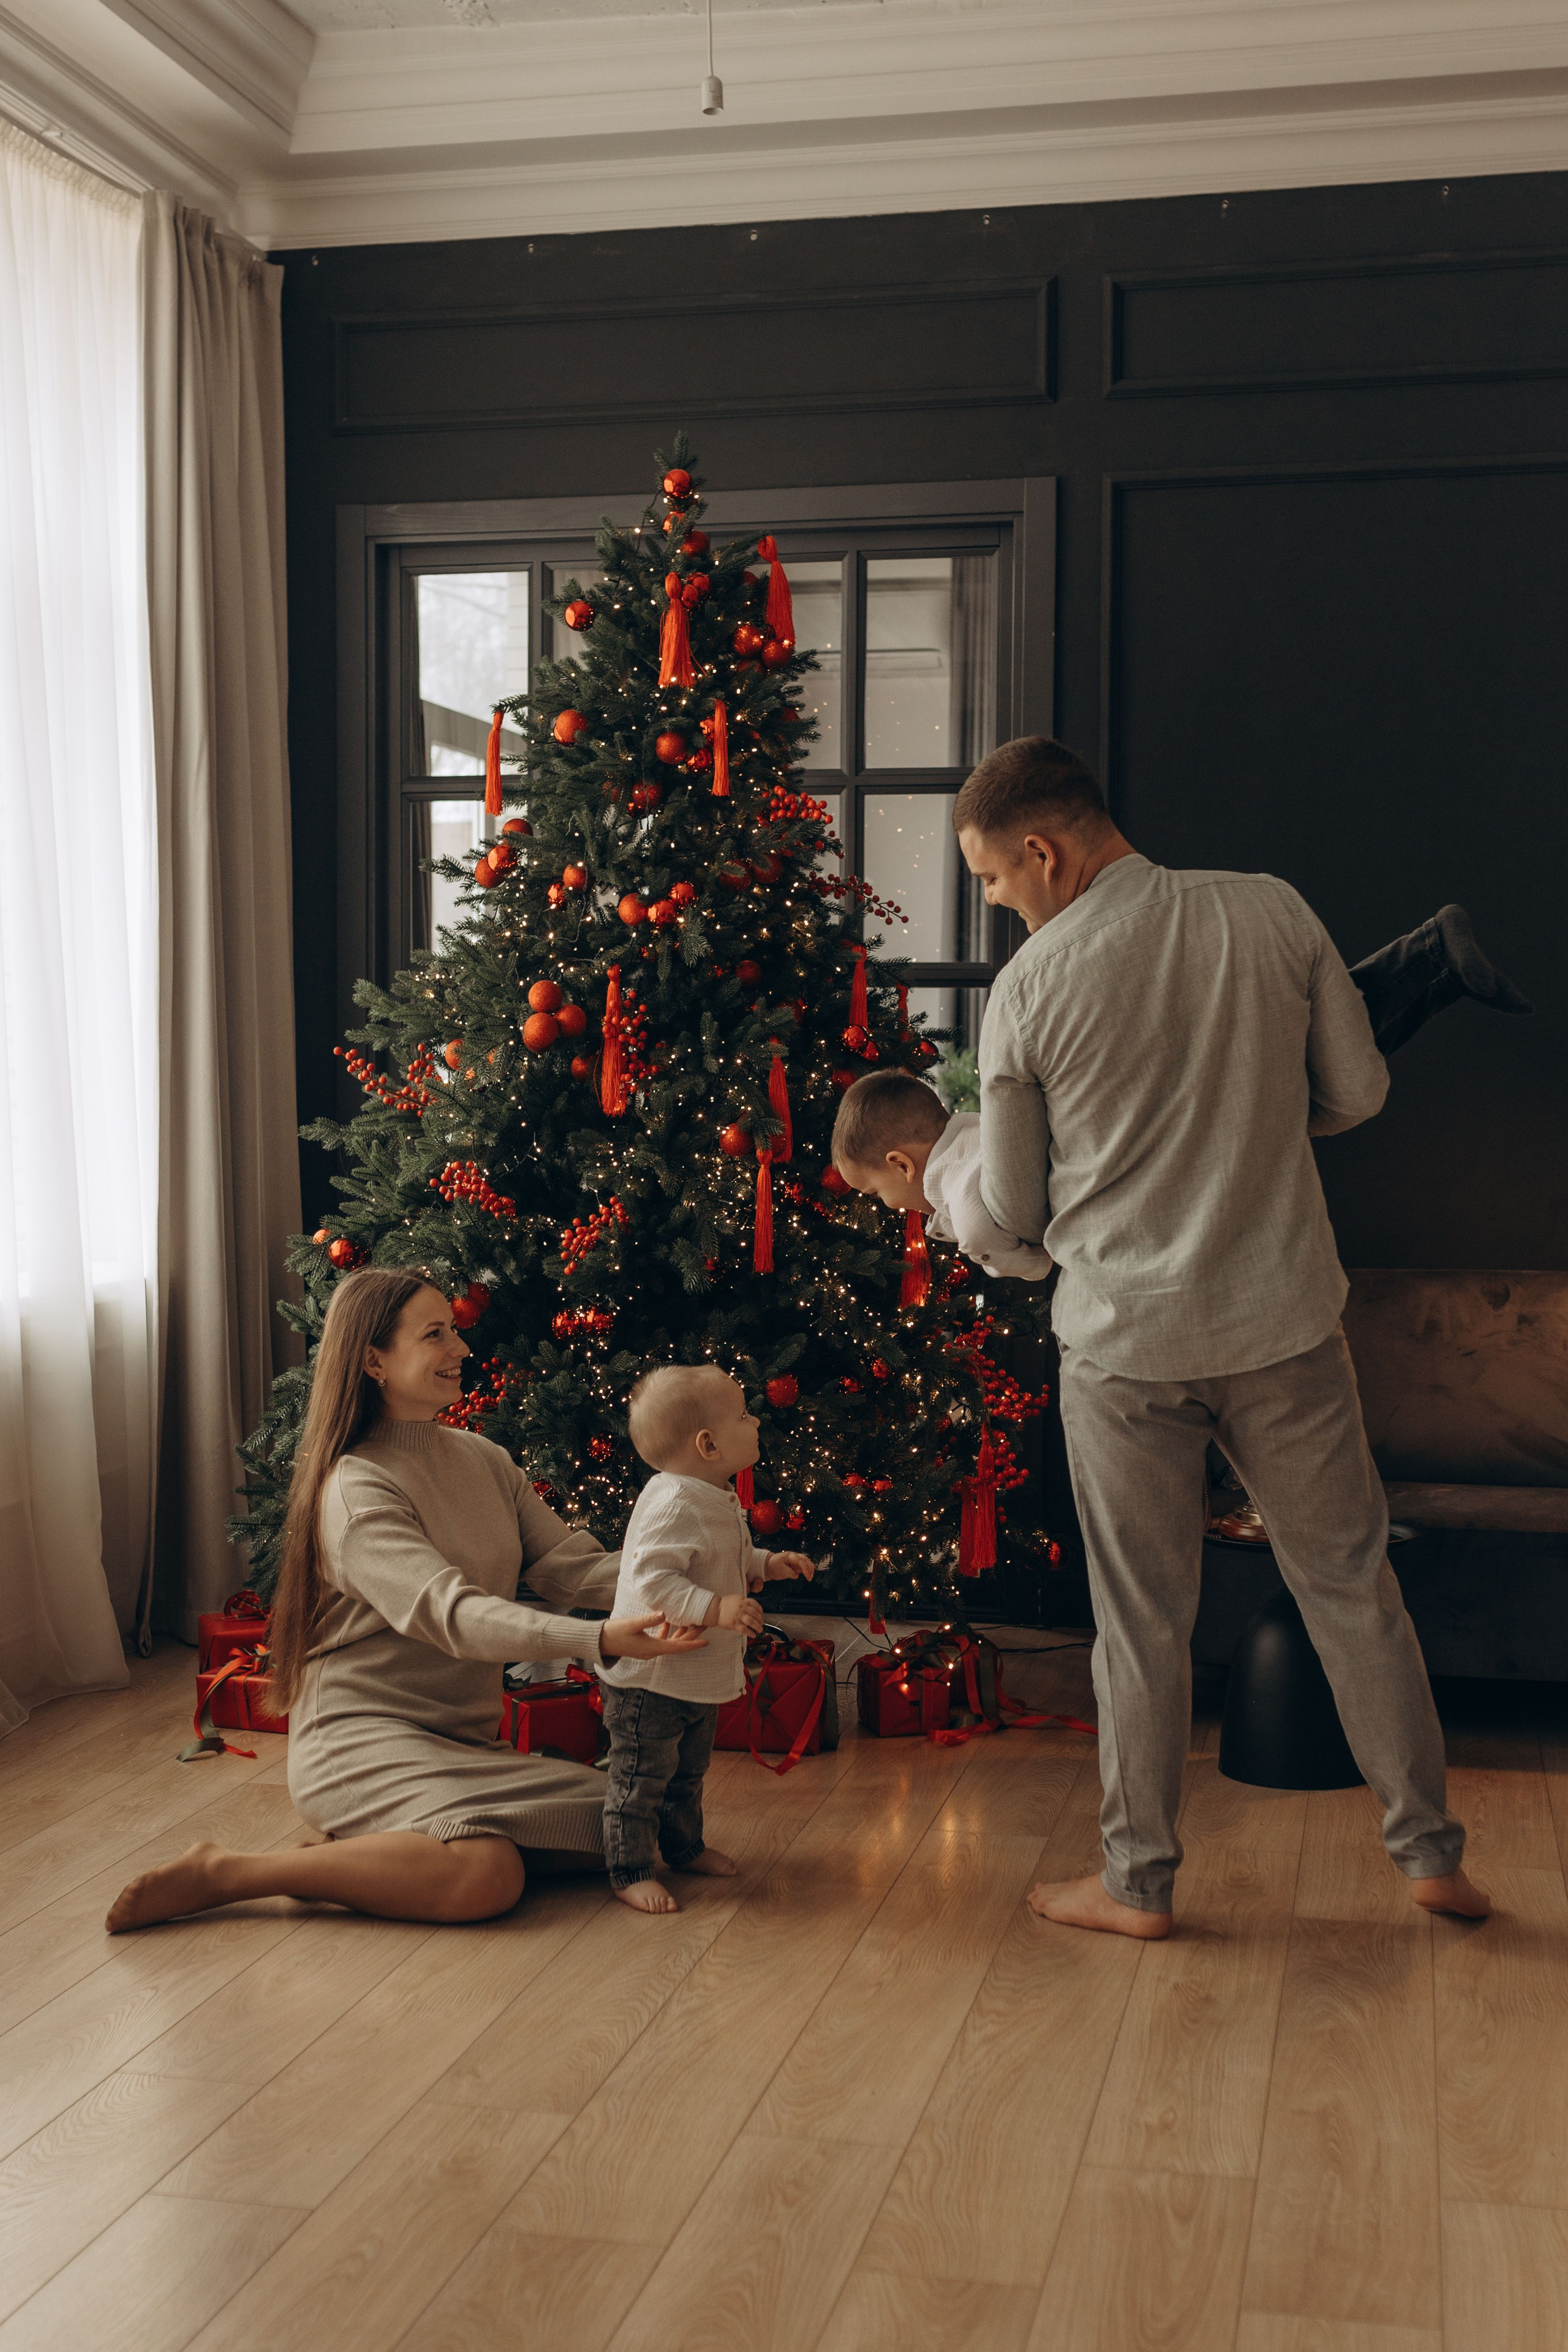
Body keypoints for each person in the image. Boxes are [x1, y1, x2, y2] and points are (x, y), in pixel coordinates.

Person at [948, 736, 1505, 1939]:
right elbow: (1355, 1097)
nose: (995, 905)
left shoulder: (1030, 991)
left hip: (1121, 1350)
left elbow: (1021, 1210)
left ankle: (1135, 1886)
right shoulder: (1269, 913)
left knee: (1142, 1627)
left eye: (992, 882)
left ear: (1039, 853)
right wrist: (1243, 1121)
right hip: (1280, 1330)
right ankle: (1425, 1858)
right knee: (1353, 1593)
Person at [106, 1268, 706, 1933]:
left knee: (635, 1825)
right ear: (373, 1360)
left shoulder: (483, 1459)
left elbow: (574, 1570)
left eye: (454, 1330)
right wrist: (595, 1641)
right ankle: (233, 1871)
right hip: (360, 1742)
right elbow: (448, 1614)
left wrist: (709, 1579)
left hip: (462, 1747)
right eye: (435, 1335)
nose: (462, 1349)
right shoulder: (355, 1489)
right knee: (489, 1875)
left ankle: (372, 1862)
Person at [831, 907, 1529, 1276]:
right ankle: (1434, 965)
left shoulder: (956, 1178)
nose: (886, 1208)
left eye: (874, 1193)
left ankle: (1431, 957)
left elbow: (993, 1225)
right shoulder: (975, 1133)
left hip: (1156, 1133)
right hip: (1154, 1116)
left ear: (900, 1161)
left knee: (1301, 1065)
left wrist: (1014, 1260)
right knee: (1302, 1056)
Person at [597, 1365, 816, 1914]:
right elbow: (653, 1579)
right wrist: (716, 1608)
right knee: (642, 1775)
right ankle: (629, 1868)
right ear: (709, 1443)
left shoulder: (712, 1494)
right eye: (744, 1413)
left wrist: (768, 1563)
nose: (756, 1418)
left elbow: (725, 1558)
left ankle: (684, 1847)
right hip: (653, 1676)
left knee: (689, 1772)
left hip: (693, 1674)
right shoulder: (673, 1502)